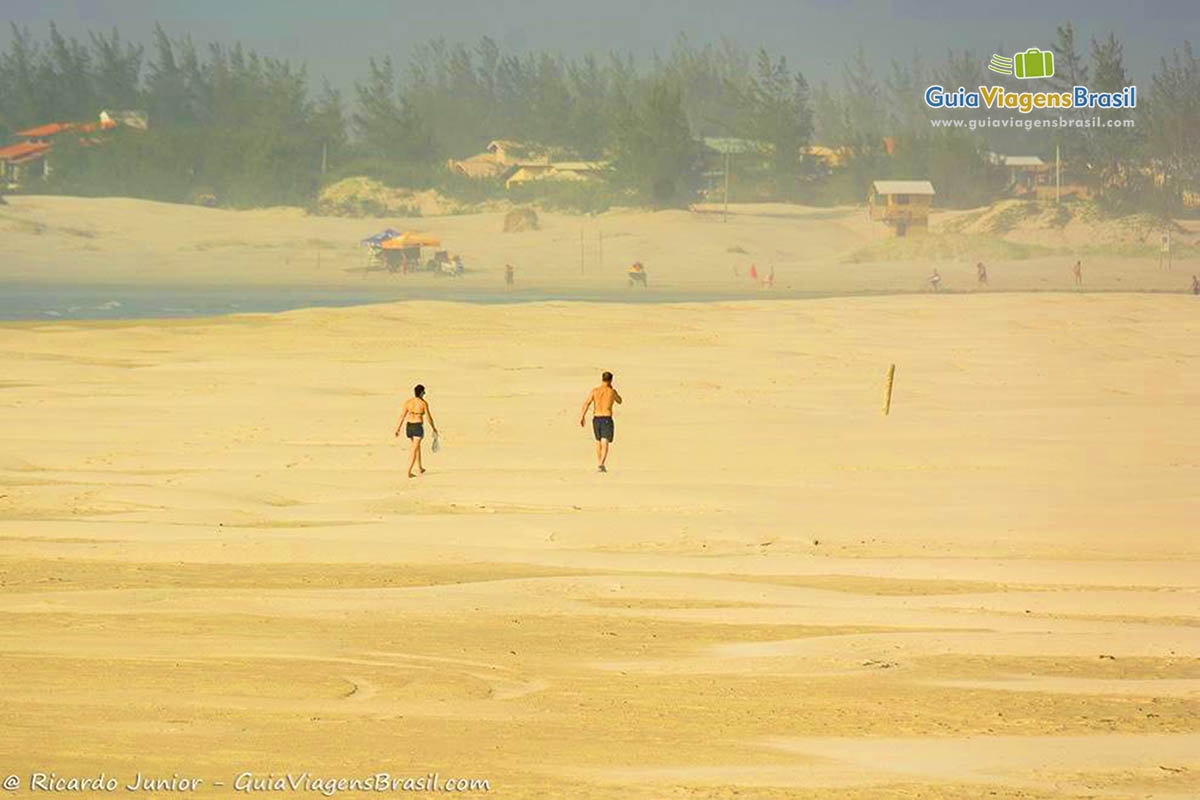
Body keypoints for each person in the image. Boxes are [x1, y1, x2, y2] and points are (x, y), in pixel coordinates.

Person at [580, 371, 622, 473]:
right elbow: (619, 401)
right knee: (605, 441)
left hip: (596, 418)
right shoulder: (611, 392)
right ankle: (601, 464)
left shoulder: (595, 391)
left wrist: (582, 416)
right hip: (606, 418)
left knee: (598, 441)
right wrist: (612, 390)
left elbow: (587, 403)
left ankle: (600, 463)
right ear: (611, 380)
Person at [394, 384, 438, 479]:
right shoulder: (423, 403)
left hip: (409, 426)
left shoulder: (408, 402)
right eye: (424, 392)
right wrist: (434, 428)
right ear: (421, 393)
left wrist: (398, 428)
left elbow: (402, 416)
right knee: (414, 450)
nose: (425, 393)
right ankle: (408, 472)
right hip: (417, 426)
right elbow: (429, 417)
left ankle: (420, 467)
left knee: (416, 447)